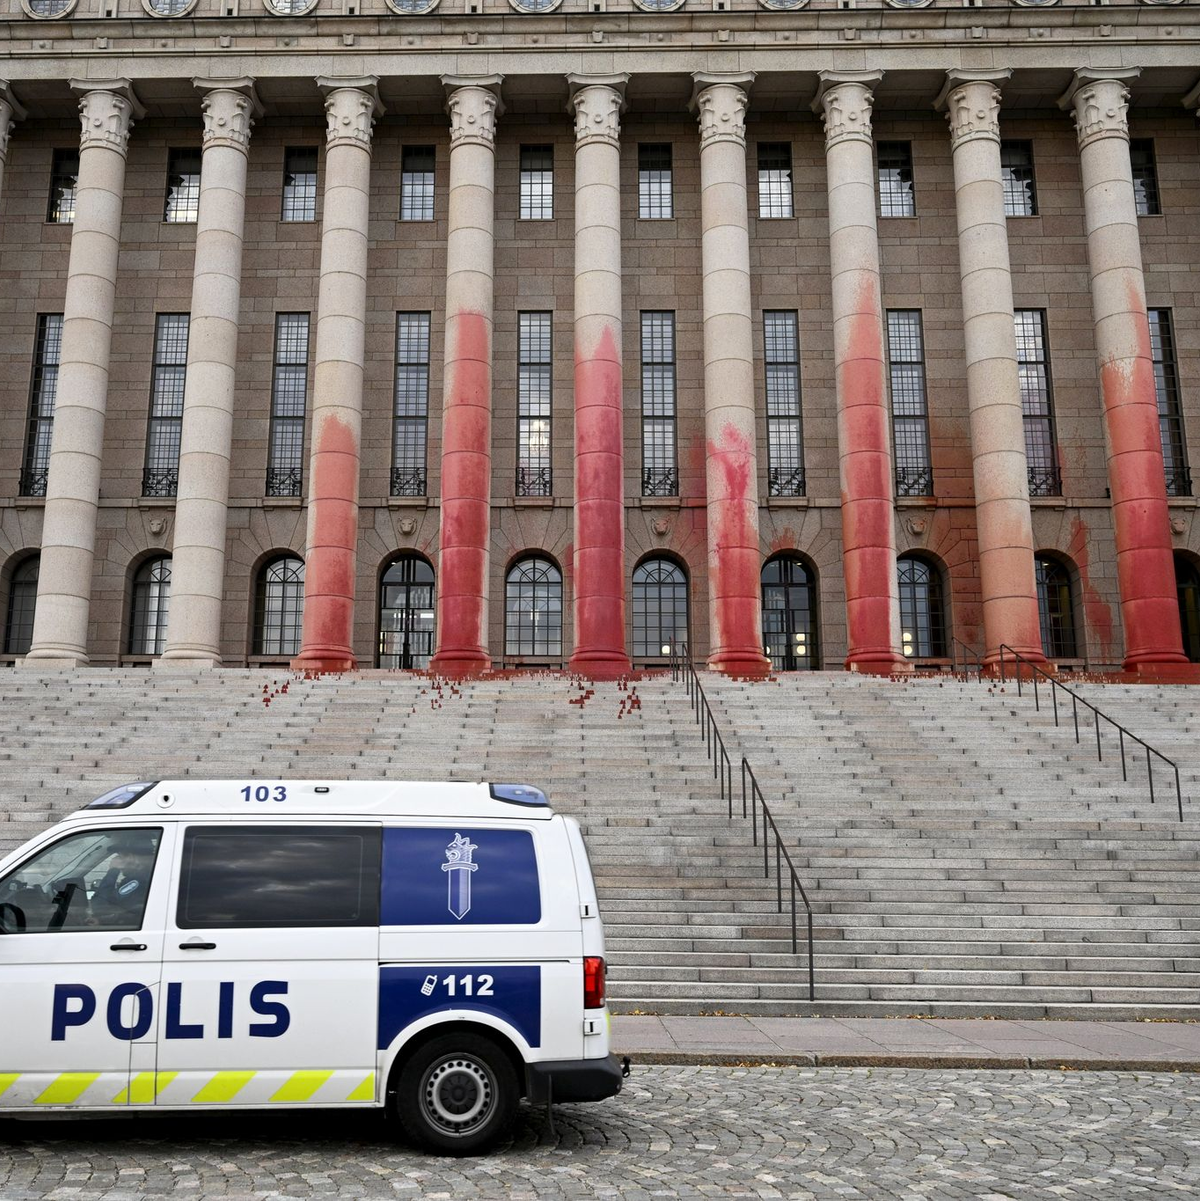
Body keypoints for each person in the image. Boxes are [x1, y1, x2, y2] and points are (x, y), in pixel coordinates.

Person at [86, 836, 157, 928]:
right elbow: (129, 912)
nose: (115, 860)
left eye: (120, 857)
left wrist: (113, 871)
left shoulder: (138, 880)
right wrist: (103, 920)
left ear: (130, 857)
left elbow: (100, 907)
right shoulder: (152, 875)